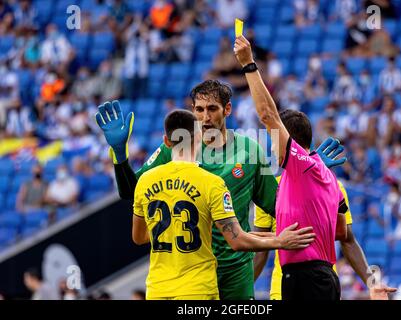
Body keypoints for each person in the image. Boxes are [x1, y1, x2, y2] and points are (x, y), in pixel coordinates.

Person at [96, 88, 345, 299]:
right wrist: (119, 155)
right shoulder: (172, 149)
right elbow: (131, 190)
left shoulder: (249, 150)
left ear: (227, 110)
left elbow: (279, 204)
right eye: (199, 109)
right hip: (194, 271)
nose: (205, 117)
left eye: (212, 109)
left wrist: (309, 173)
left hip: (234, 270)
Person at [233, 35, 391, 300]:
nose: (272, 147)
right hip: (320, 278)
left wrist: (249, 64)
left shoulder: (294, 171)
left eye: (275, 141)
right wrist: (372, 282)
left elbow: (268, 114)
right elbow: (343, 234)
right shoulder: (326, 177)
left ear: (289, 143)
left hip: (303, 279)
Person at [132, 109, 314, 300]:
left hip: (157, 289)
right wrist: (280, 241)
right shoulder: (212, 183)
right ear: (200, 137)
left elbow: (139, 237)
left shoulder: (145, 181)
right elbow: (237, 240)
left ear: (166, 141)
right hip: (197, 289)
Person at [254, 179, 397, 300]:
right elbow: (260, 250)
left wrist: (373, 283)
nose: (273, 148)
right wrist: (242, 291)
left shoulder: (333, 186)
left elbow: (347, 240)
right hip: (283, 288)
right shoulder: (271, 188)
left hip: (324, 287)